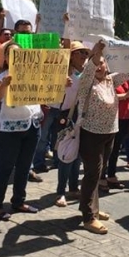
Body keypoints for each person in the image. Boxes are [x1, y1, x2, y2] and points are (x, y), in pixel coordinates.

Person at [77, 41, 129, 234]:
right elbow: (90, 68)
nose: (100, 66)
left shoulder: (110, 80)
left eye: (103, 63)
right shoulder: (86, 82)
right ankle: (88, 217)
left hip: (110, 133)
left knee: (98, 173)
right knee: (92, 173)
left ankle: (93, 209)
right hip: (91, 134)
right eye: (97, 63)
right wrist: (97, 51)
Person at [0, 41, 42, 220]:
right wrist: (4, 85)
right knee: (4, 168)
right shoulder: (2, 75)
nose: (15, 58)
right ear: (5, 58)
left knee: (24, 167)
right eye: (11, 54)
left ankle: (18, 201)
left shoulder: (34, 75)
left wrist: (60, 85)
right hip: (10, 129)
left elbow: (48, 94)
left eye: (19, 54)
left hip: (32, 125)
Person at [53, 42, 89, 207]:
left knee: (77, 156)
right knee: (66, 155)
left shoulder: (85, 73)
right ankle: (61, 192)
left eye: (85, 53)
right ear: (71, 55)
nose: (83, 55)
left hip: (82, 117)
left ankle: (73, 188)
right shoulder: (62, 74)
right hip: (66, 116)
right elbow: (52, 98)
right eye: (79, 52)